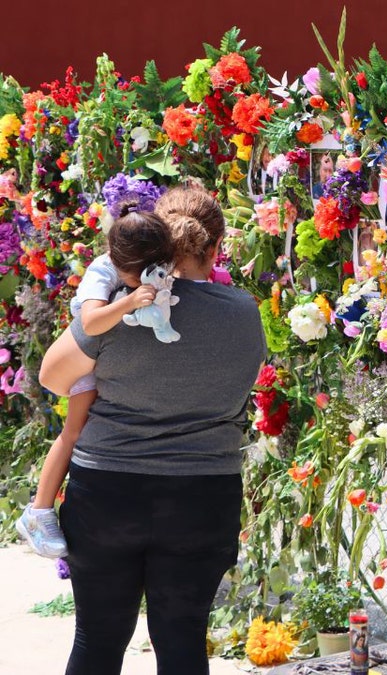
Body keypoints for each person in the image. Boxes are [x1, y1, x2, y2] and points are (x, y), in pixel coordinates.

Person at [39, 186, 266, 675]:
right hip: (202, 496)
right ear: (216, 247)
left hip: (108, 493)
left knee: (97, 642)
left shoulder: (118, 312)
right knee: (183, 643)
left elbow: (52, 378)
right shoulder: (243, 313)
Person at [16, 208, 171, 559]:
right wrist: (131, 300)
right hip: (87, 359)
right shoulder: (102, 271)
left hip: (109, 359)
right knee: (74, 430)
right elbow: (90, 323)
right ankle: (38, 512)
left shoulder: (146, 264)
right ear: (118, 261)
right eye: (136, 274)